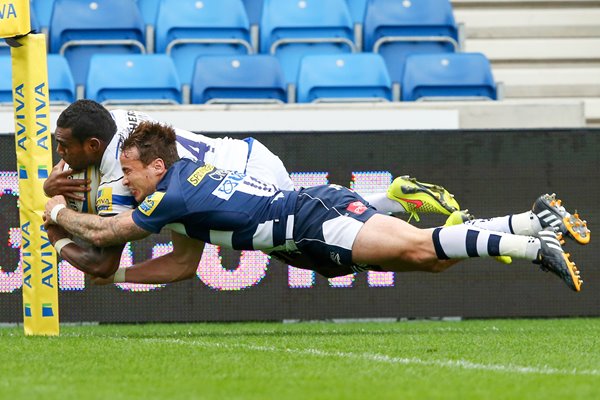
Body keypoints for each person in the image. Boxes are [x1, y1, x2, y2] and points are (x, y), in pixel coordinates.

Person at [44, 122, 588, 292]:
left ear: (157, 168)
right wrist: (119, 279)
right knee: (432, 260)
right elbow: (181, 264)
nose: (125, 182)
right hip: (308, 221)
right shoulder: (177, 189)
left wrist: (56, 218)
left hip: (311, 220)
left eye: (130, 174)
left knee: (423, 247)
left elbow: (113, 232)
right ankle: (529, 219)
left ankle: (529, 243)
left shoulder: (170, 195)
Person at [44, 100, 462, 278]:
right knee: (308, 228)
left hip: (228, 179)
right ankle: (390, 202)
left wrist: (56, 218)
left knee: (315, 249)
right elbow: (64, 139)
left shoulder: (123, 179)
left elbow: (101, 259)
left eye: (64, 148)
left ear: (93, 147)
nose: (58, 152)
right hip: (236, 158)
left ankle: (386, 204)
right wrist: (52, 180)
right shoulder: (106, 120)